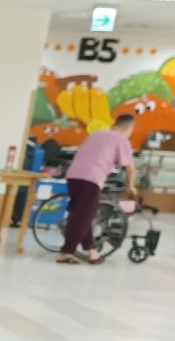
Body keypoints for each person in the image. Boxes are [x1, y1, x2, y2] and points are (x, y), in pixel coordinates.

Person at [59, 112, 138, 264]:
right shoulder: (121, 139)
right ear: (129, 127)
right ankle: (65, 252)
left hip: (73, 175)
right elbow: (130, 168)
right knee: (83, 217)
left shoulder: (97, 134)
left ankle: (92, 252)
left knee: (82, 215)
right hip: (91, 178)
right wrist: (131, 186)